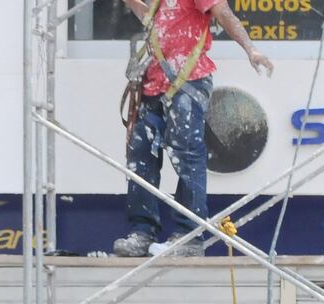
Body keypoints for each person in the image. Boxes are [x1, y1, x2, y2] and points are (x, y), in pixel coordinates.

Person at [112, 0, 274, 258]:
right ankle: (142, 233)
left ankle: (189, 235)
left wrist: (251, 50)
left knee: (186, 155)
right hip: (153, 83)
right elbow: (147, 18)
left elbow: (223, 13)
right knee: (140, 157)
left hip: (187, 82)